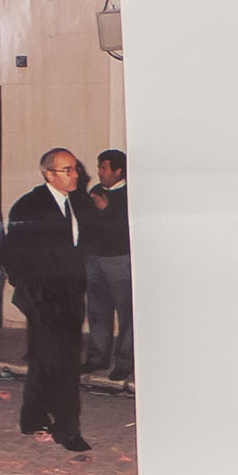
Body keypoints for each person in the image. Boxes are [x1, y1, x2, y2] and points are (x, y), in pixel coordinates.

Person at [3, 146, 93, 454]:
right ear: (48, 174)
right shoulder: (28, 207)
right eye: (67, 170)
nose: (75, 175)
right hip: (42, 298)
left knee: (45, 358)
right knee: (64, 363)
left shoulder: (79, 202)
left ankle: (32, 418)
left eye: (75, 168)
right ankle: (68, 430)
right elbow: (11, 254)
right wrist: (33, 293)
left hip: (71, 295)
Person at [83, 147, 133, 384]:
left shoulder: (131, 195)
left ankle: (124, 363)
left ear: (118, 171)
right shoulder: (95, 191)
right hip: (94, 259)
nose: (99, 172)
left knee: (126, 313)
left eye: (103, 168)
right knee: (97, 310)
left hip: (119, 260)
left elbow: (127, 228)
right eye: (99, 167)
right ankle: (97, 357)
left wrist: (106, 210)